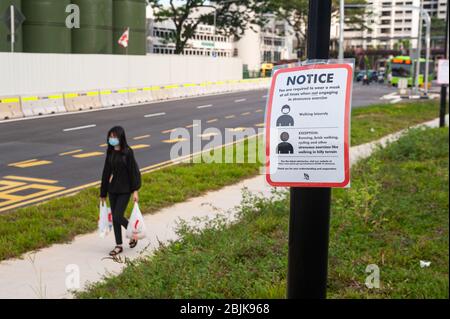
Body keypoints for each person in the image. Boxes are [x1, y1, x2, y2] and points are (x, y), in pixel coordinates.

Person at [100, 126, 142, 256]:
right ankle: (118, 245)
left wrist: (135, 190)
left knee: (118, 215)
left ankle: (133, 234)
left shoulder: (128, 152)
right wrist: (103, 192)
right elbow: (106, 172)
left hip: (125, 190)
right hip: (113, 189)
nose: (112, 139)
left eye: (114, 136)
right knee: (115, 219)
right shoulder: (110, 152)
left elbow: (134, 172)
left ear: (120, 137)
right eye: (110, 137)